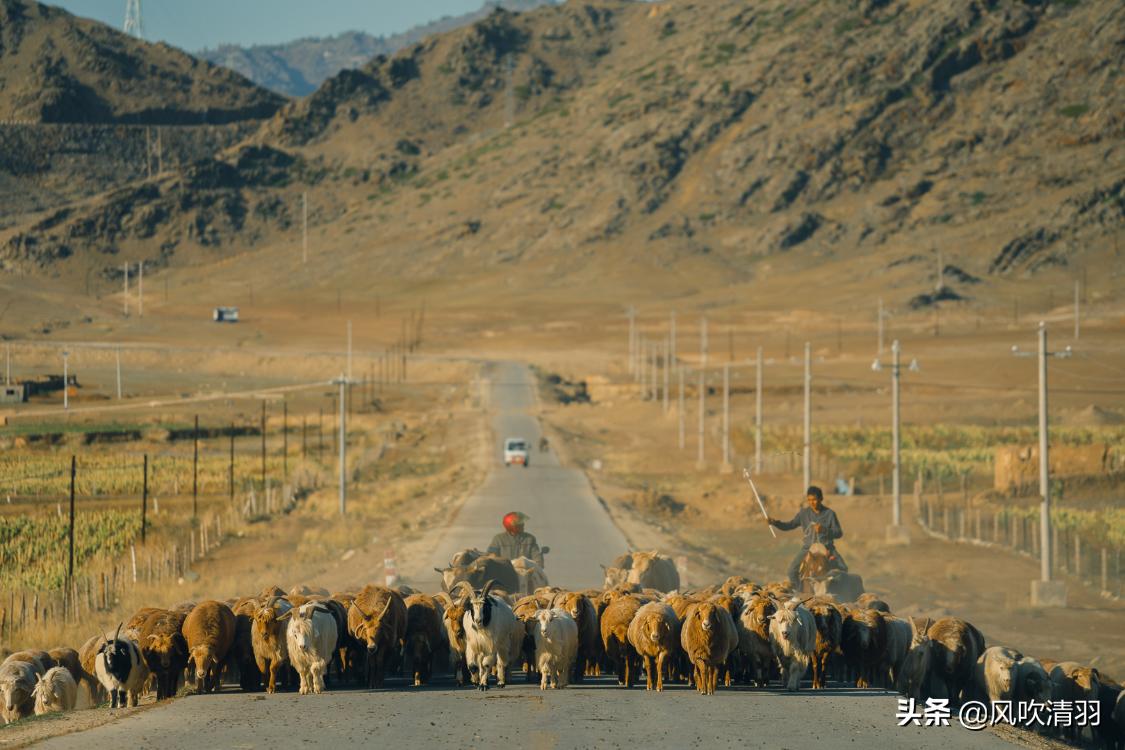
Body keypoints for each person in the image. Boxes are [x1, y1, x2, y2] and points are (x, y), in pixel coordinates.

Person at [767, 486, 846, 589]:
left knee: (843, 569)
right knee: (792, 571)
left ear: (821, 499)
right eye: (809, 500)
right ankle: (801, 592)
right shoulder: (803, 513)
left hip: (827, 547)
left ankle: (834, 593)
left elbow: (839, 533)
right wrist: (775, 523)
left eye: (814, 500)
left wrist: (824, 530)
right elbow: (789, 525)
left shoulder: (830, 514)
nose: (812, 503)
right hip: (808, 548)